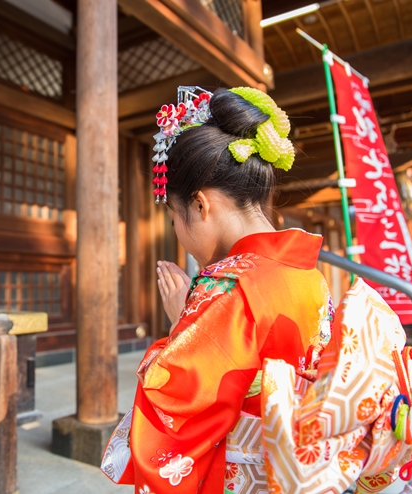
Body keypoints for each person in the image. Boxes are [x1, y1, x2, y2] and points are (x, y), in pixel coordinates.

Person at [101, 86, 335, 493]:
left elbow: (179, 408)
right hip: (311, 468)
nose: (179, 232)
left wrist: (183, 330)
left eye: (175, 217)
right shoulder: (308, 272)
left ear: (200, 205)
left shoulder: (225, 289)